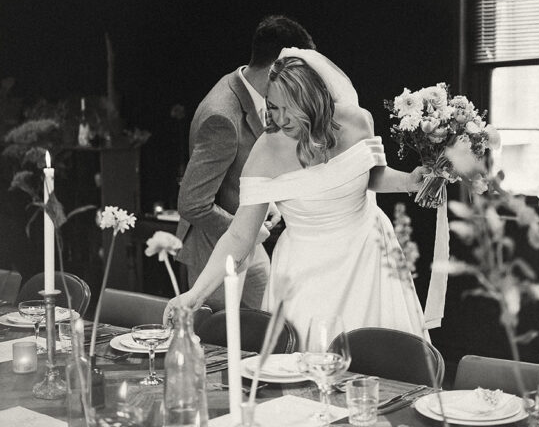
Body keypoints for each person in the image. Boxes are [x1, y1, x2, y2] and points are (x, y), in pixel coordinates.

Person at [167, 48, 430, 345]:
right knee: (307, 363)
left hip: (369, 258)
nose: (278, 119)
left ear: (312, 98)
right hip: (306, 272)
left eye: (287, 107)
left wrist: (410, 180)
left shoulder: (358, 122)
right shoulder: (267, 151)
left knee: (380, 361)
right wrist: (195, 294)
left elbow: (371, 175)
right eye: (272, 107)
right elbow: (239, 236)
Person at [176, 15, 315, 310]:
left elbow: (241, 169)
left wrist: (270, 201)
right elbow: (192, 203)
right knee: (216, 341)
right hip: (215, 244)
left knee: (274, 321)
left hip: (250, 239)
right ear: (276, 67)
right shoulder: (222, 117)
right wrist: (248, 229)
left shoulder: (246, 85)